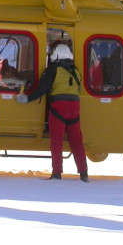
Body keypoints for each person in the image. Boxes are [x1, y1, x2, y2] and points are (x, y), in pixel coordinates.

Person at [16, 43, 88, 182]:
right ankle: (84, 174)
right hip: (74, 107)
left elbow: (43, 89)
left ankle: (57, 173)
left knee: (57, 141)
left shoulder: (52, 70)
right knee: (76, 142)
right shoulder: (76, 71)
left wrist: (27, 98)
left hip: (58, 107)